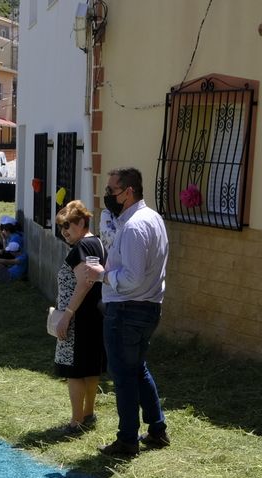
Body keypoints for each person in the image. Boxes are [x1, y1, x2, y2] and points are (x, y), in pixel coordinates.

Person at [78, 167, 168, 458]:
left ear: (129, 192)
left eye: (112, 191)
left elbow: (131, 279)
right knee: (137, 368)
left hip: (128, 309)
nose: (108, 196)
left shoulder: (134, 228)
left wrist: (101, 275)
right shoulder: (152, 218)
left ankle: (128, 440)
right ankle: (157, 429)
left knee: (124, 376)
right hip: (148, 308)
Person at [49, 200, 106, 433]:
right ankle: (88, 413)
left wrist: (67, 315)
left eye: (68, 226)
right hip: (95, 316)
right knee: (90, 368)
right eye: (62, 227)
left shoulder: (81, 248)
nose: (64, 232)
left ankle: (75, 421)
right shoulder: (97, 244)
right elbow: (91, 280)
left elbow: (83, 283)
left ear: (82, 222)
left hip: (78, 318)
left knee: (74, 372)